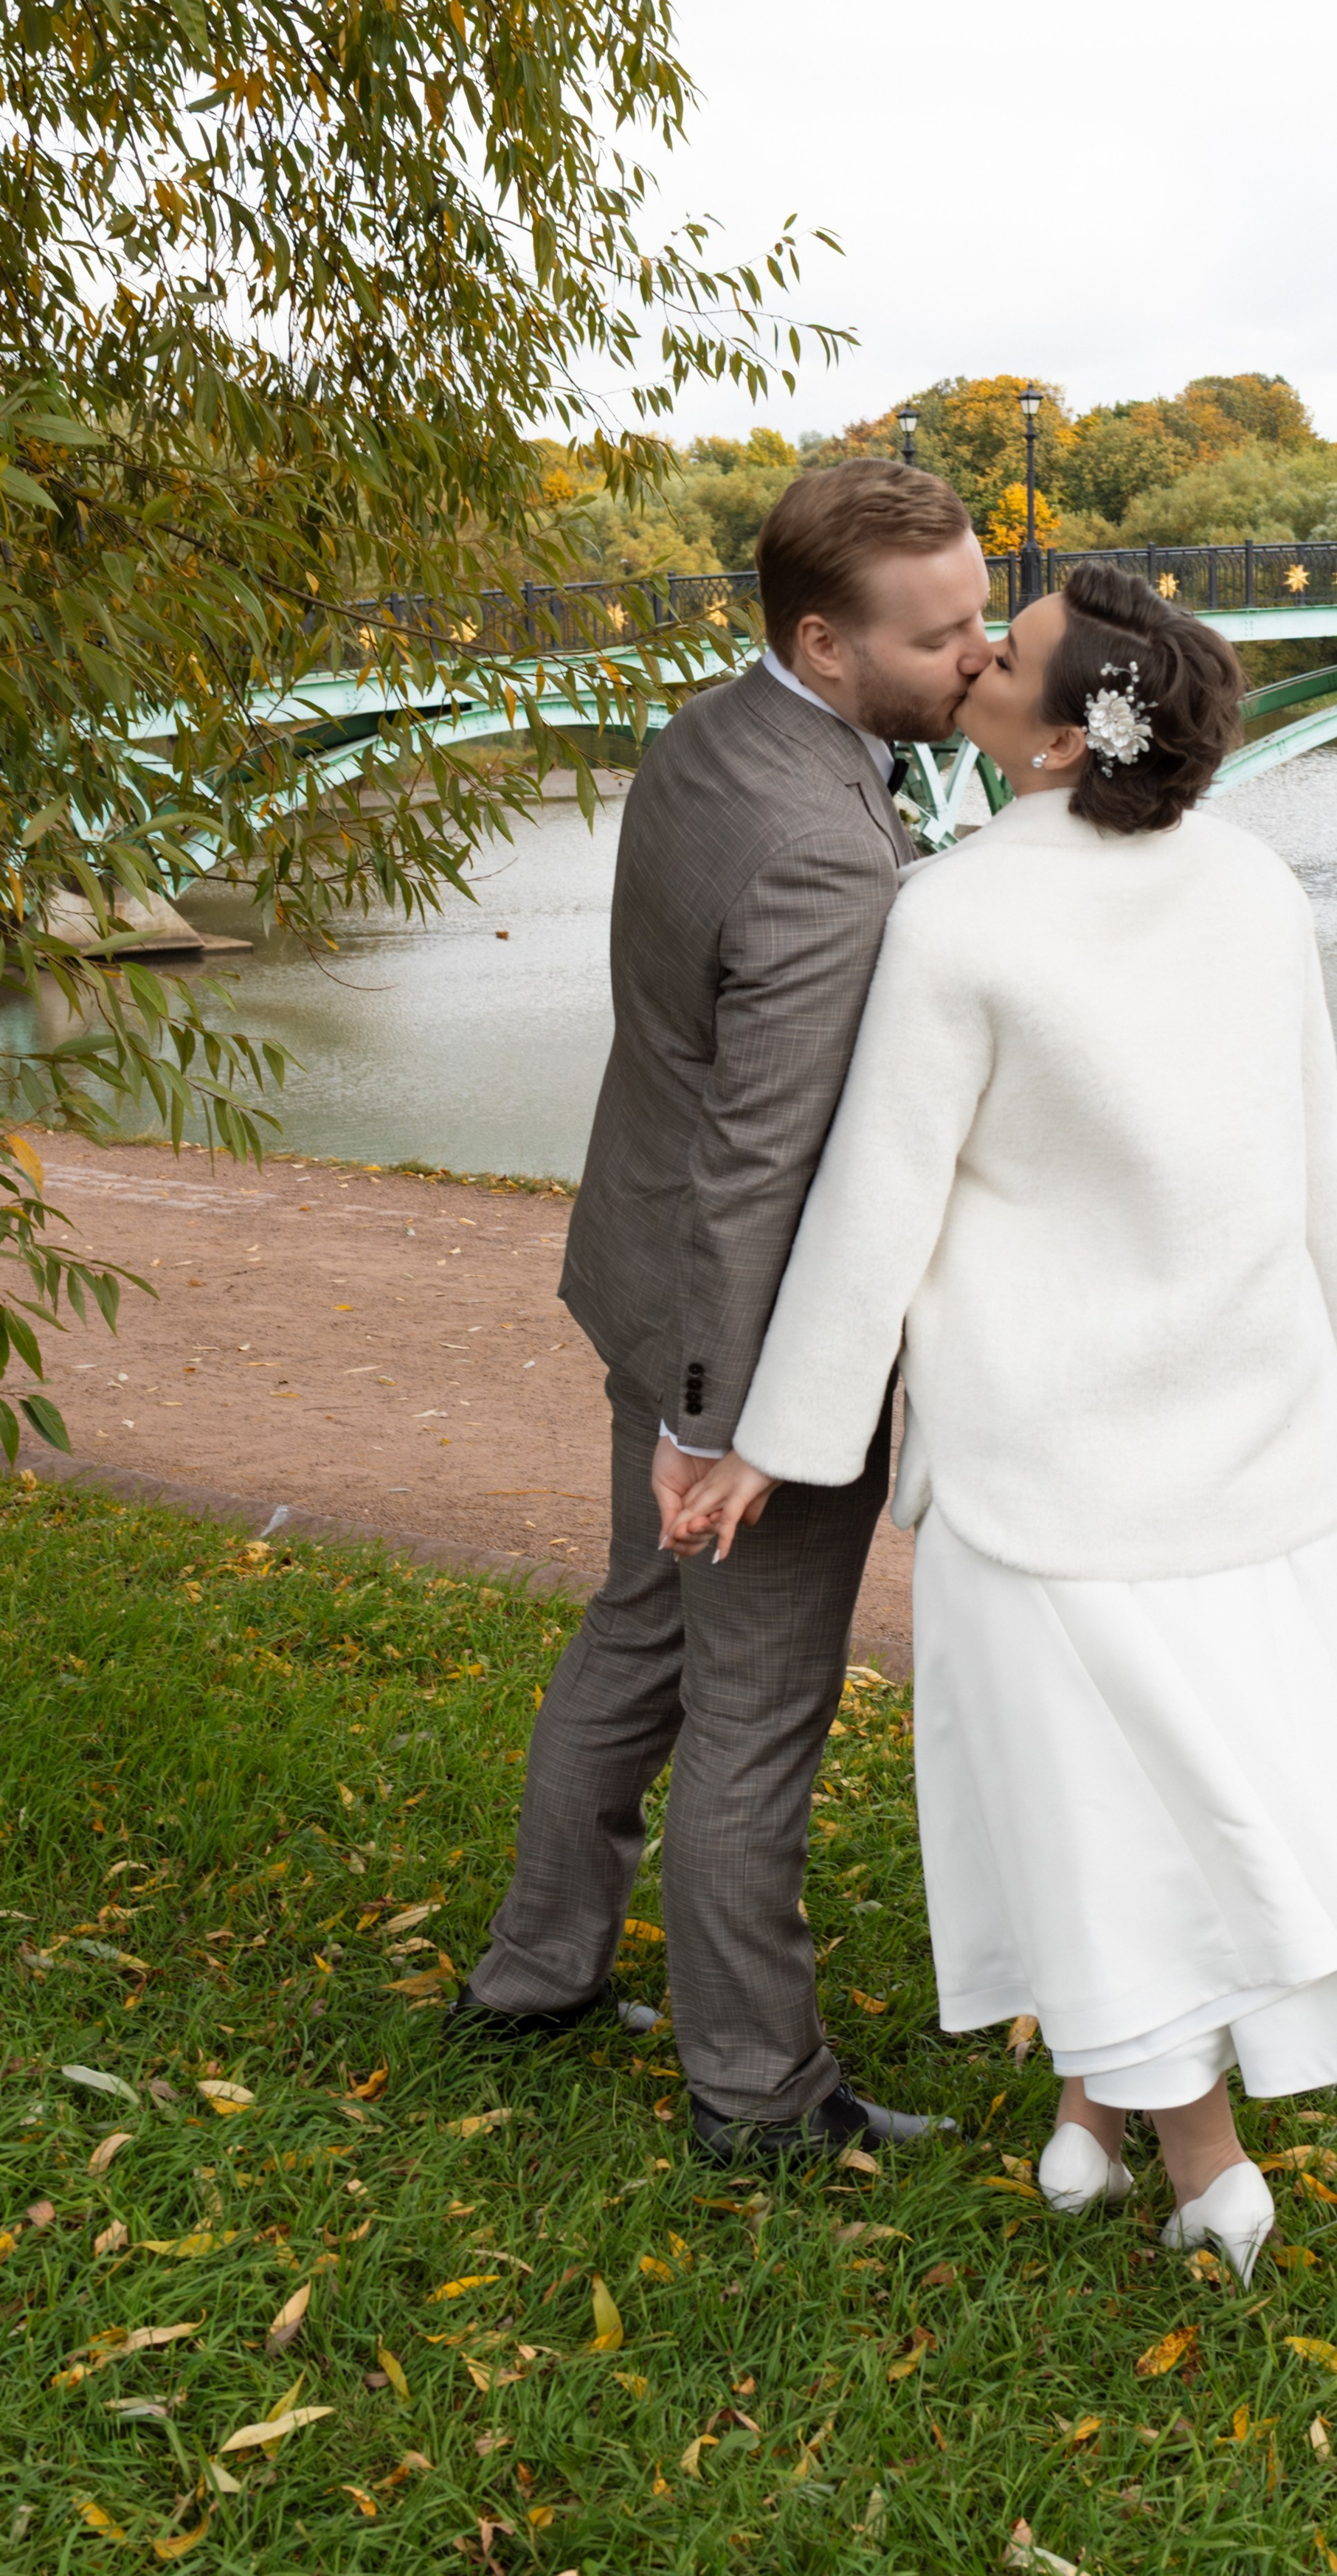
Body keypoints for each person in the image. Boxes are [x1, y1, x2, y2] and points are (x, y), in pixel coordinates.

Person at [670, 558, 1337, 2279]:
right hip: (1243, 1430)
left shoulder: (957, 914)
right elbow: (1319, 1134)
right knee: (1189, 1771)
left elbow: (876, 1210)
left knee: (1102, 1810)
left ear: (1068, 739)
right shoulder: (1250, 881)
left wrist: (769, 1440)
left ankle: (1207, 2171)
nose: (982, 657)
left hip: (1045, 1454)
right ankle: (1087, 2098)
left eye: (1015, 652)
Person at [456, 460, 992, 2171]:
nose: (977, 654)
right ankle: (756, 2095)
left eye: (985, 616)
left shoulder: (710, 732)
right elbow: (766, 1160)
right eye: (945, 634)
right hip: (749, 1349)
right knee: (754, 1707)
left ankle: (536, 1977)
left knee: (635, 1635)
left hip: (638, 1268)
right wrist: (722, 1424)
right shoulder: (818, 848)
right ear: (824, 643)